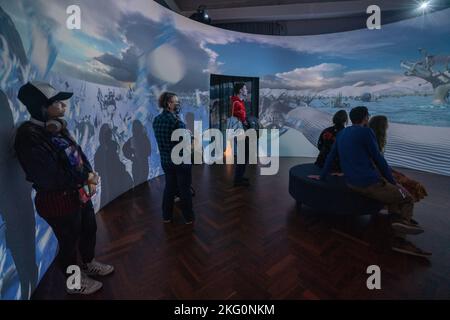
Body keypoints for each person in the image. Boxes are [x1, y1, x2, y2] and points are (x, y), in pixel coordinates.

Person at [14, 81, 114, 295]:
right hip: (58, 201)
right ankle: (74, 283)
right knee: (68, 243)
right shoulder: (28, 137)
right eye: (57, 102)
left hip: (79, 194)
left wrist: (89, 174)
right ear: (41, 107)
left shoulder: (57, 128)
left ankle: (88, 263)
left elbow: (77, 154)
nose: (64, 106)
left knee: (89, 229)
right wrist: (85, 176)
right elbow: (50, 176)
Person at [310, 106, 430, 257]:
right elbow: (379, 160)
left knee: (393, 197)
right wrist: (394, 182)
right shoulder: (367, 132)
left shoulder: (342, 133)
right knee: (407, 198)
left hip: (351, 182)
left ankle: (397, 221)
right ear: (365, 118)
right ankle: (400, 238)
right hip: (369, 183)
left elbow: (330, 156)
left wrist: (321, 176)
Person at [153, 92, 194, 224]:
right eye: (176, 102)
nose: (178, 104)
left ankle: (166, 216)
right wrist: (190, 136)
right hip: (181, 162)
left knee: (169, 188)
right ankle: (189, 218)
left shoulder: (156, 120)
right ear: (168, 104)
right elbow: (185, 144)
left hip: (166, 161)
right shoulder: (177, 122)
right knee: (184, 190)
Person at [368, 115, 428, 202]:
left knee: (406, 180)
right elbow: (378, 163)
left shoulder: (374, 139)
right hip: (378, 172)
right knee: (410, 185)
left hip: (380, 170)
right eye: (386, 124)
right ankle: (403, 203)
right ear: (382, 126)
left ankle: (396, 209)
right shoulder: (374, 142)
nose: (388, 126)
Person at [231, 82, 250, 187]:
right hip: (239, 131)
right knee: (243, 155)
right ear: (240, 91)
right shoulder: (237, 103)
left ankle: (239, 177)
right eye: (245, 89)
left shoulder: (239, 101)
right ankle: (238, 180)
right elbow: (242, 119)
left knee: (244, 154)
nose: (246, 90)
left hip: (239, 131)